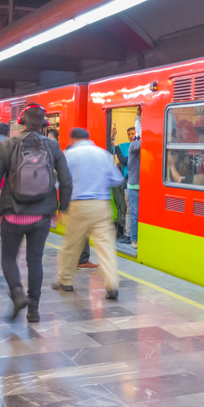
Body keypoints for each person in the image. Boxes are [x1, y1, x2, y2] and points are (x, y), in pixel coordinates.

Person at [0, 105, 72, 322]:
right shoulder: (53, 146)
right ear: (45, 125)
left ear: (21, 121)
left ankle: (17, 294)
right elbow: (67, 180)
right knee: (35, 261)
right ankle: (34, 309)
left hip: (12, 214)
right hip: (41, 216)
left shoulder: (7, 145)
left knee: (8, 258)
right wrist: (62, 208)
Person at [53, 128, 123, 299]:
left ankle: (66, 281)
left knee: (71, 245)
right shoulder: (103, 154)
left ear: (73, 139)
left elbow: (59, 183)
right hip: (101, 205)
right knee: (105, 246)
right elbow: (117, 179)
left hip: (78, 205)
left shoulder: (68, 155)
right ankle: (112, 284)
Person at [126, 108, 142, 248]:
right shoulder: (133, 146)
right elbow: (144, 141)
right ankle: (133, 239)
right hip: (133, 187)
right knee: (135, 214)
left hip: (142, 186)